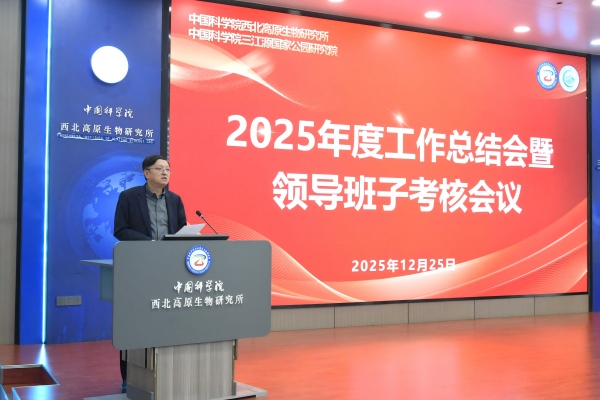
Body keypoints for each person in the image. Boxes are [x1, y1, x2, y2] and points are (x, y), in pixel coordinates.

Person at [113, 154, 187, 392]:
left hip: (169, 270)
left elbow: (182, 230)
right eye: (159, 168)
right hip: (139, 269)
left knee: (168, 322)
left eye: (168, 169)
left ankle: (167, 372)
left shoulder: (175, 200)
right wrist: (149, 243)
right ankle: (130, 376)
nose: (165, 172)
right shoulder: (128, 197)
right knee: (135, 323)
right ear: (146, 173)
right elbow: (120, 230)